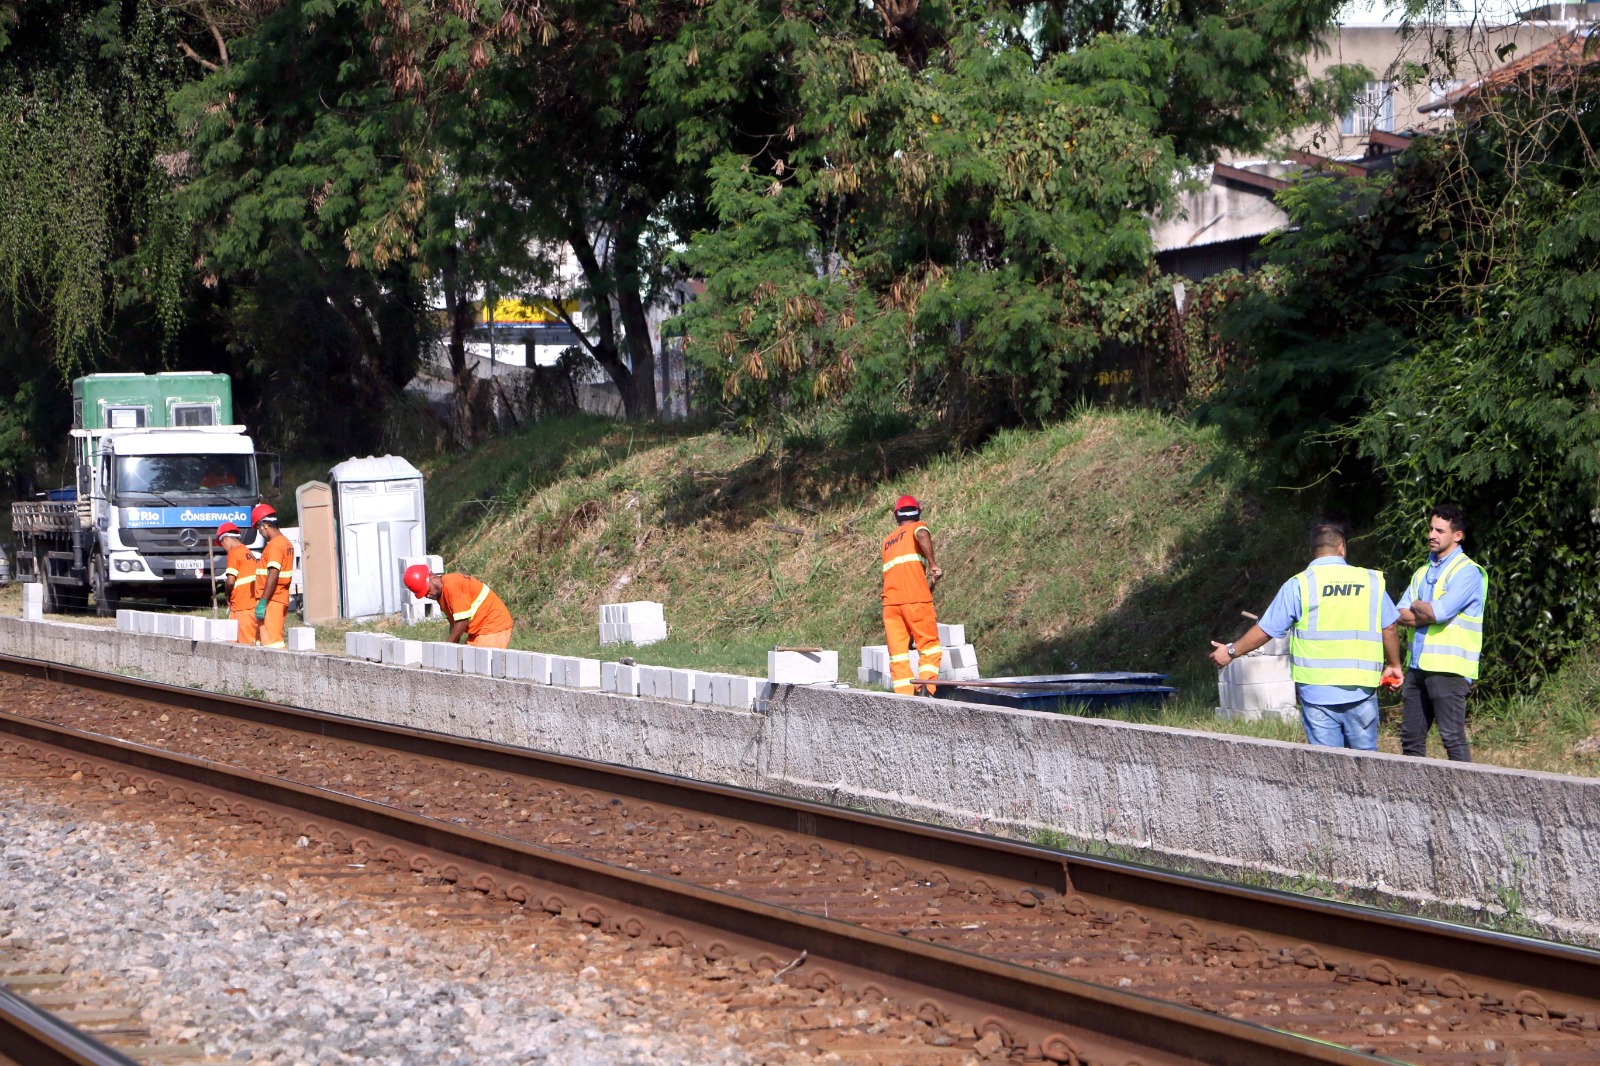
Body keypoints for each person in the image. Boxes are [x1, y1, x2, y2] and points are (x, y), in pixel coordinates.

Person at [1210, 522, 1403, 751]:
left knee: (1327, 768)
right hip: (1360, 690)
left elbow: (1266, 630)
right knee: (1367, 766)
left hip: (1317, 693)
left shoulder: (1300, 584)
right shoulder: (1370, 581)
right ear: (1341, 547)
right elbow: (1389, 628)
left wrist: (1231, 652)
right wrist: (1394, 664)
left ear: (1313, 551)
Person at [1396, 504, 1487, 762]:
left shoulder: (1467, 572)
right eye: (1431, 528)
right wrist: (1423, 609)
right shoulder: (1422, 572)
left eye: (1440, 530)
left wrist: (1418, 606)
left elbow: (1439, 613)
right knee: (1411, 739)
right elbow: (1399, 613)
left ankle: (1466, 796)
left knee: (1451, 737)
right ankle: (1412, 795)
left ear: (1457, 535)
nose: (1431, 535)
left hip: (1449, 670)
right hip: (1418, 667)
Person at [880, 495, 943, 696]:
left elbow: (902, 570)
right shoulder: (918, 527)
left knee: (897, 655)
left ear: (896, 515)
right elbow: (922, 534)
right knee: (929, 648)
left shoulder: (887, 541)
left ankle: (904, 699)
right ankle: (926, 689)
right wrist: (932, 564)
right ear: (918, 512)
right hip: (915, 599)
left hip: (891, 605)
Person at [403, 564, 514, 648]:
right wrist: (453, 647)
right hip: (478, 631)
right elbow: (454, 622)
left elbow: (462, 621)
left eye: (427, 590)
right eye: (423, 594)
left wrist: (448, 646)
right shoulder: (440, 595)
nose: (427, 595)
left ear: (433, 578)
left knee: (480, 669)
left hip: (494, 627)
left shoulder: (452, 585)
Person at [251, 503, 294, 649]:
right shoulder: (285, 543)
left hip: (271, 600)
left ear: (265, 525)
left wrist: (263, 601)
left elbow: (273, 574)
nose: (260, 532)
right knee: (273, 641)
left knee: (273, 645)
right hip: (279, 598)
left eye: (258, 527)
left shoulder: (275, 545)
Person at [215, 521, 259, 645]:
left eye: (222, 544)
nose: (223, 548)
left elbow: (230, 582)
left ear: (226, 539)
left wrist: (226, 594)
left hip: (242, 606)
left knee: (244, 645)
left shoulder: (233, 553)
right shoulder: (248, 553)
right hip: (250, 604)